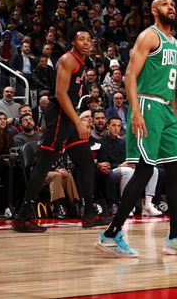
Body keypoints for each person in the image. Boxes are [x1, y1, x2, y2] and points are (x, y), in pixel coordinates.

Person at [95, 0, 177, 257]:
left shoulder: (175, 44)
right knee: (144, 171)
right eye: (166, 4)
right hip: (146, 105)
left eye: (173, 4)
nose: (172, 7)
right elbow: (131, 74)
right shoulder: (148, 36)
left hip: (166, 109)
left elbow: (169, 81)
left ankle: (175, 236)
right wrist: (134, 112)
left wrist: (174, 115)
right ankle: (111, 234)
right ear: (155, 10)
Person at [12, 26, 110, 232]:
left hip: (68, 116)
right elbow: (61, 94)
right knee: (44, 165)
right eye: (81, 38)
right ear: (73, 42)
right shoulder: (68, 59)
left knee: (85, 161)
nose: (86, 42)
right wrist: (77, 122)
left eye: (89, 39)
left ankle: (90, 213)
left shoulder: (84, 62)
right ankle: (23, 215)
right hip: (59, 117)